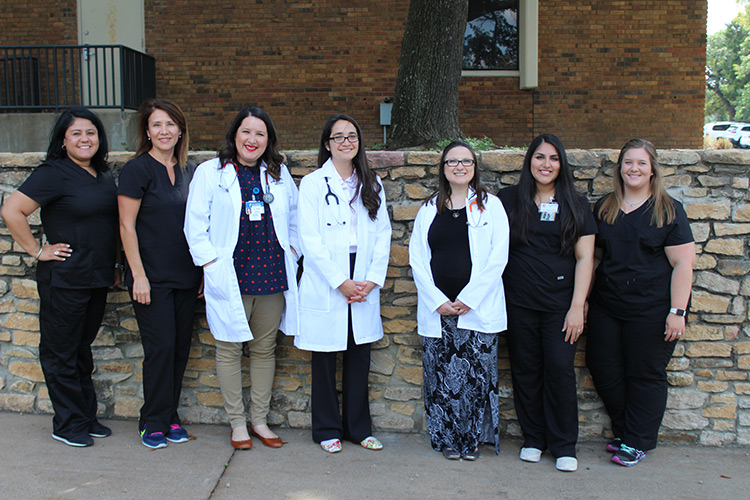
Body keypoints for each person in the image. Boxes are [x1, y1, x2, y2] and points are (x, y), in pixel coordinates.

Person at [1, 107, 118, 447]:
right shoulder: (54, 172)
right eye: (77, 133)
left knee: (81, 349)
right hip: (64, 278)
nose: (85, 139)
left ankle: (85, 416)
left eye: (91, 133)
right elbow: (12, 210)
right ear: (63, 140)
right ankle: (67, 424)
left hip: (96, 278)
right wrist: (38, 250)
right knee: (60, 353)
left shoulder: (102, 174)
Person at [184, 106, 300, 450]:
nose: (252, 139)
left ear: (269, 140)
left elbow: (295, 218)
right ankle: (237, 424)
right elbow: (195, 225)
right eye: (246, 132)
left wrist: (293, 251)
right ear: (234, 135)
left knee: (265, 350)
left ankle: (260, 421)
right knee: (229, 349)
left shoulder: (278, 174)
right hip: (230, 275)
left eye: (260, 134)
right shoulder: (211, 172)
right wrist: (211, 264)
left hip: (272, 276)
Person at [586, 138, 695, 467]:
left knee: (645, 374)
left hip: (651, 308)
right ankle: (625, 430)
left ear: (652, 170)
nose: (634, 168)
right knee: (603, 368)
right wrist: (585, 300)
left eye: (641, 163)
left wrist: (678, 311)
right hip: (608, 305)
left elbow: (683, 264)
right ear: (620, 168)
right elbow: (594, 258)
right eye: (628, 162)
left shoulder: (668, 209)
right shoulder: (605, 208)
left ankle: (637, 440)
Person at [498, 134, 596, 472]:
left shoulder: (576, 203)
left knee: (558, 368)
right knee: (525, 370)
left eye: (553, 158)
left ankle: (564, 444)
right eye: (539, 157)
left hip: (560, 304)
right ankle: (534, 438)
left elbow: (585, 258)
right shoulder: (509, 199)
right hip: (518, 301)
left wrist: (577, 305)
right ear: (529, 162)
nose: (546, 164)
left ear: (561, 164)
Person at [294, 114, 391, 454]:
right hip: (329, 277)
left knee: (358, 356)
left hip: (363, 276)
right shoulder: (312, 184)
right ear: (327, 144)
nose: (346, 142)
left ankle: (358, 428)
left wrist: (371, 281)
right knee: (324, 359)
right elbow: (309, 239)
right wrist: (340, 281)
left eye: (352, 136)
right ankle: (326, 429)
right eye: (338, 137)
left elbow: (383, 234)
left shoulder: (372, 182)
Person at [409, 140, 509, 461]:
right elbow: (417, 258)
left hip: (476, 309)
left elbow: (498, 257)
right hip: (439, 312)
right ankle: (447, 440)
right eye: (452, 162)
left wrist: (468, 298)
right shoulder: (429, 208)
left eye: (466, 161)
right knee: (440, 378)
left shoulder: (490, 206)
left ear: (475, 167)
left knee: (477, 379)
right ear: (443, 168)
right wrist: (438, 300)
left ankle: (473, 441)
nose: (459, 167)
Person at [118, 98, 202, 449]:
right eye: (156, 125)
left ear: (180, 129)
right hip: (150, 278)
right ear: (147, 132)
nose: (164, 131)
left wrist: (201, 273)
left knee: (181, 349)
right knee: (161, 348)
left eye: (170, 124)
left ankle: (169, 416)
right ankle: (151, 420)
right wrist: (138, 275)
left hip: (186, 275)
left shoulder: (192, 170)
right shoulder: (137, 170)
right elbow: (126, 224)